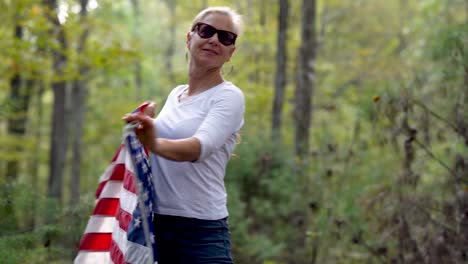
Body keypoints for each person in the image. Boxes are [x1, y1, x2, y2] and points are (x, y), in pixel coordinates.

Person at [123, 6, 245, 264]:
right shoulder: (175, 95)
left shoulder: (228, 97)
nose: (214, 40)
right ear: (190, 38)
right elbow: (161, 147)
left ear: (230, 53)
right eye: (206, 30)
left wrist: (153, 142)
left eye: (226, 37)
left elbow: (198, 148)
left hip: (201, 233)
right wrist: (146, 124)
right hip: (156, 227)